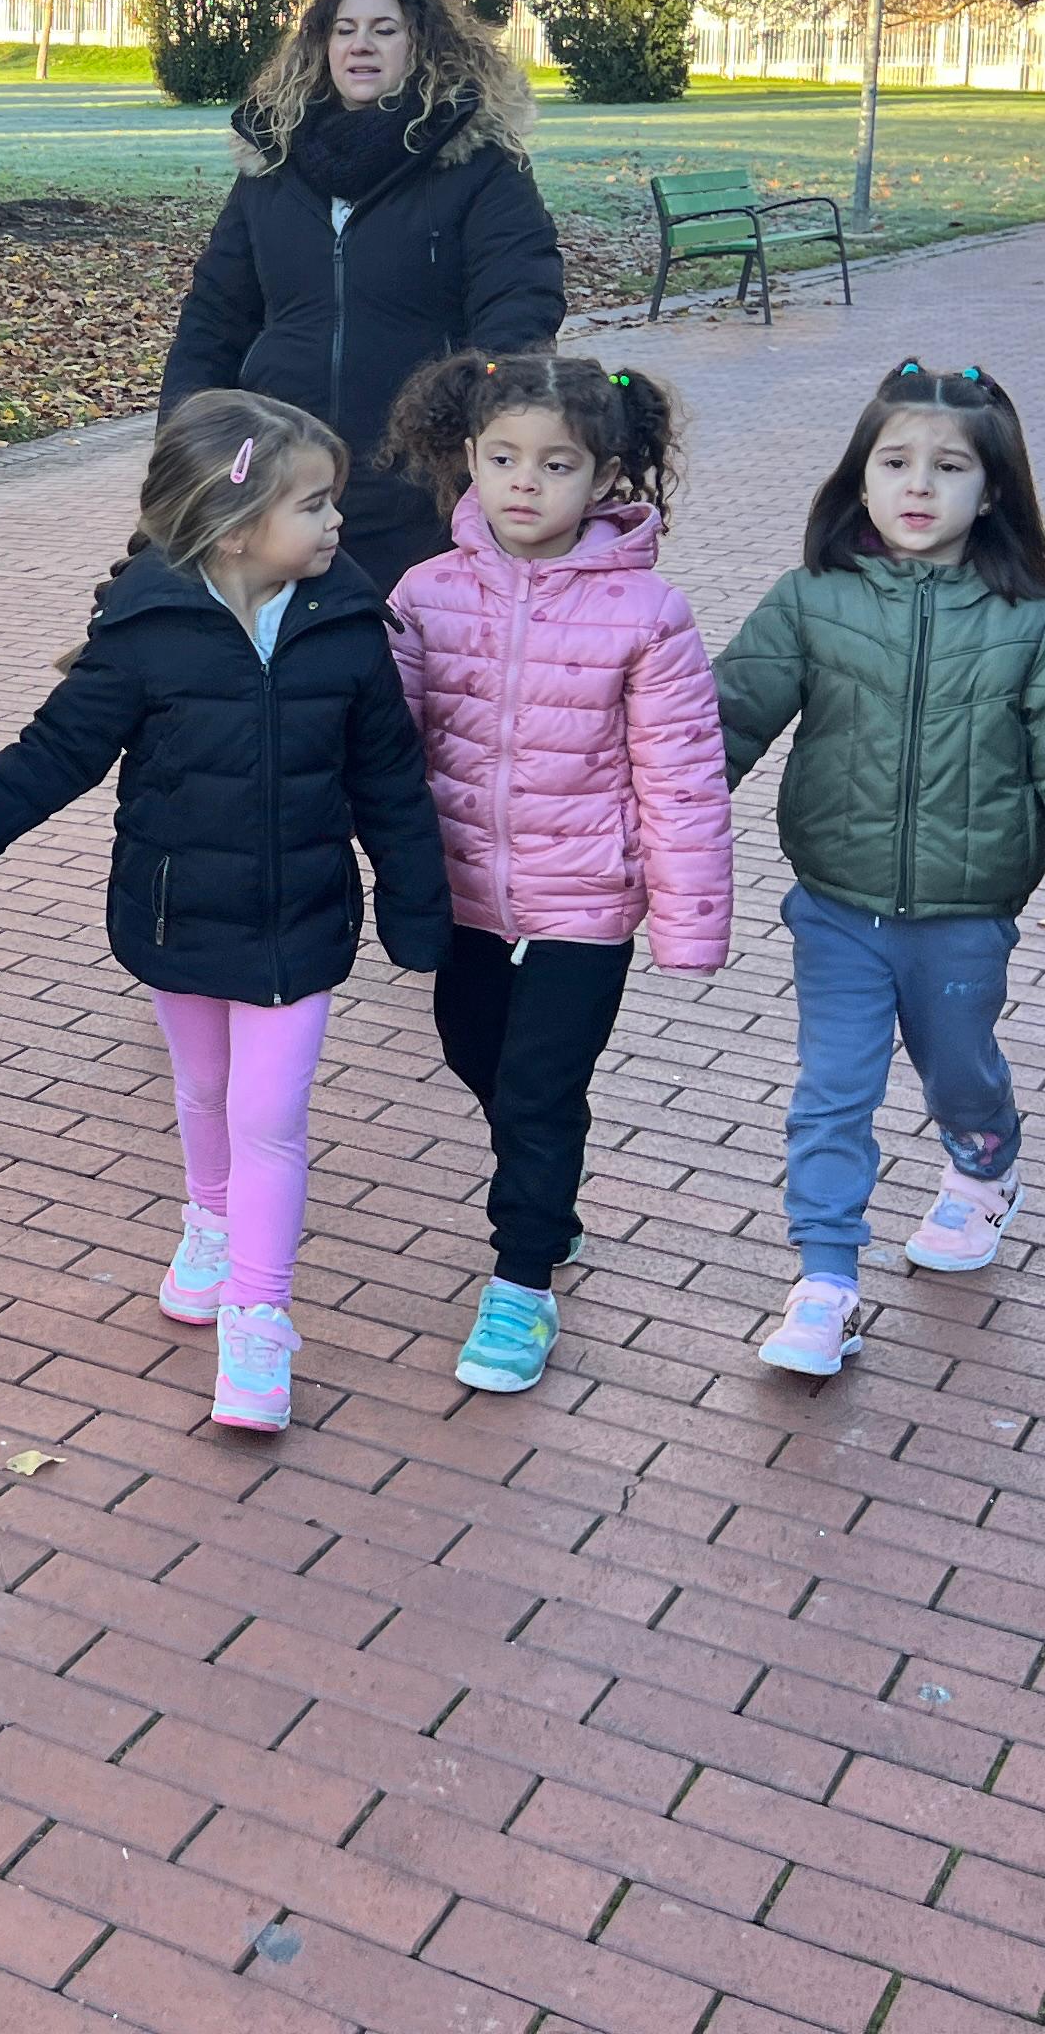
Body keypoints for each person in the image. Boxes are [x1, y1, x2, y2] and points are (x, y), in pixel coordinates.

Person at [0, 391, 448, 1435]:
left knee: (269, 1119)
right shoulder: (147, 634)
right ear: (238, 523)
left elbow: (391, 779)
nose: (339, 523)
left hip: (300, 924)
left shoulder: (347, 628)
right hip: (177, 917)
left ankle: (259, 1319)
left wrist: (416, 901)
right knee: (204, 1089)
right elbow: (45, 764)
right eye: (316, 504)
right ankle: (207, 1221)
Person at [711, 362, 1045, 1380]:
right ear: (860, 478)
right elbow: (725, 720)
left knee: (959, 1072)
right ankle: (825, 1283)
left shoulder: (1034, 626)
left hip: (967, 913)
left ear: (994, 492)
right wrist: (638, 821)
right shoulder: (811, 600)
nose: (918, 486)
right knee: (832, 1091)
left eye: (948, 467)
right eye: (895, 463)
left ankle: (985, 1164)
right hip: (836, 907)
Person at [377, 351, 732, 1398]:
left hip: (587, 899)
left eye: (557, 464)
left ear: (608, 476)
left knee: (540, 1087)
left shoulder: (649, 614)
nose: (526, 483)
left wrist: (687, 921)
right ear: (468, 462)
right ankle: (550, 1180)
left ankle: (523, 1279)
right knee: (473, 1050)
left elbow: (681, 778)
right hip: (462, 890)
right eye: (503, 458)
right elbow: (383, 740)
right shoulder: (424, 593)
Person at [158, 0, 567, 597]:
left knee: (403, 674)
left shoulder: (478, 166)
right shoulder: (273, 166)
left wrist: (474, 429)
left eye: (384, 28)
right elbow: (215, 316)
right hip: (276, 472)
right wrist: (185, 443)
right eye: (344, 29)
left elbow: (520, 308)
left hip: (419, 480)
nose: (361, 45)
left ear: (420, 44)